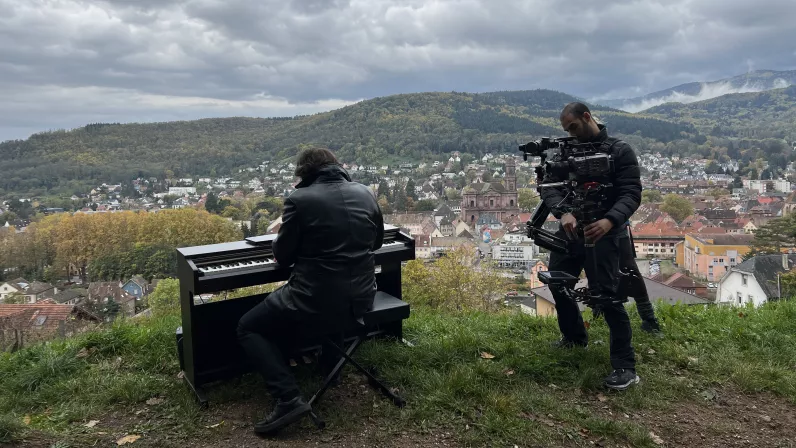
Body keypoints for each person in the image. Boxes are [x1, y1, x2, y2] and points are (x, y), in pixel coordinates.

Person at [237, 147, 384, 434]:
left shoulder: (299, 199)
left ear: (303, 174)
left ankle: (288, 398)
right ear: (337, 166)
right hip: (362, 296)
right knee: (336, 297)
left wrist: (282, 231)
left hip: (313, 299)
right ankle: (331, 368)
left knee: (247, 327)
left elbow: (284, 256)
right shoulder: (366, 193)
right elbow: (376, 243)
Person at [541, 102, 642, 390]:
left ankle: (625, 366)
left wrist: (610, 221)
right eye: (566, 130)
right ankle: (574, 339)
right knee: (558, 283)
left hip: (605, 234)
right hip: (571, 231)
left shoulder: (619, 151)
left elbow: (631, 193)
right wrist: (564, 213)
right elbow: (550, 186)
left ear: (587, 117)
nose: (571, 134)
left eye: (573, 127)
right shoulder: (566, 150)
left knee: (608, 297)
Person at [619, 221, 662, 334]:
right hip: (581, 228)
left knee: (631, 274)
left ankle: (649, 320)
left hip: (615, 229)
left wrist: (610, 220)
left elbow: (629, 202)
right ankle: (598, 313)